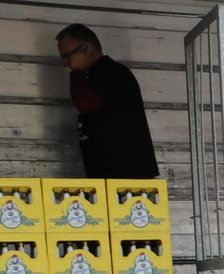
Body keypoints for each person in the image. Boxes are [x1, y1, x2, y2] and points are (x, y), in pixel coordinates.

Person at [57, 24, 158, 179]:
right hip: (113, 175)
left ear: (86, 48)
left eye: (68, 55)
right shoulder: (96, 75)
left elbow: (86, 103)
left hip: (128, 177)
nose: (66, 63)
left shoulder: (110, 72)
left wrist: (76, 71)